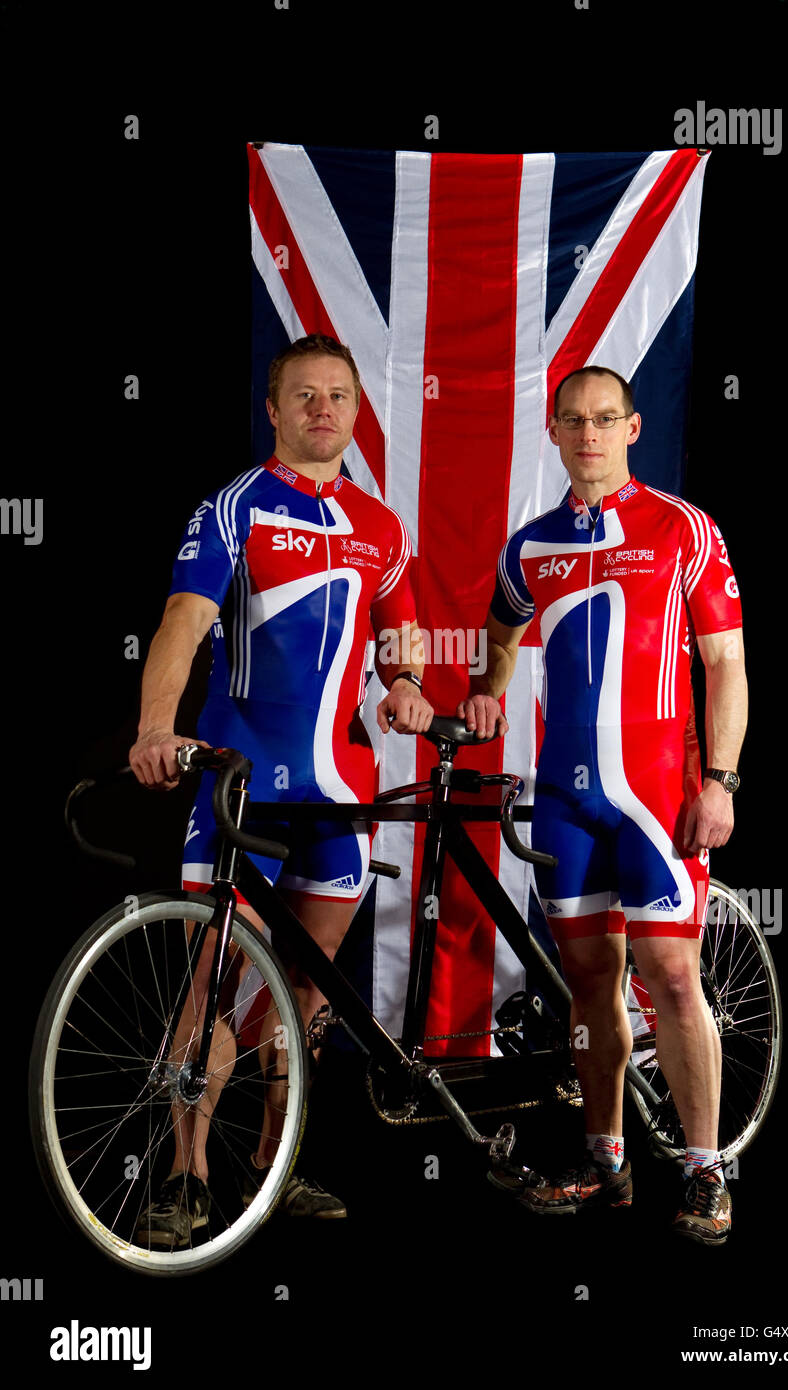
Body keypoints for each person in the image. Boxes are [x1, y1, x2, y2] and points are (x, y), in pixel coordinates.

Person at [129, 333, 433, 1244]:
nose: (323, 409)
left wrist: (410, 687)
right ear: (273, 409)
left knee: (304, 995)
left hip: (340, 795)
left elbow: (399, 641)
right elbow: (182, 624)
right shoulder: (234, 509)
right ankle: (185, 1176)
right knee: (215, 986)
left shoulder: (382, 527)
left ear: (354, 409)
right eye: (304, 395)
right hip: (239, 786)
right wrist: (155, 727)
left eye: (339, 395)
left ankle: (273, 1166)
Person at [459, 365, 746, 1245]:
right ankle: (606, 1159)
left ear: (633, 427)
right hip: (565, 805)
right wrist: (486, 687)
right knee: (588, 985)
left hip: (659, 798)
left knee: (669, 979)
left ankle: (705, 1171)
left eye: (605, 418)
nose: (589, 432)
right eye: (573, 419)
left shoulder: (682, 529)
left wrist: (722, 781)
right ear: (553, 432)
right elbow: (501, 637)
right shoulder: (530, 547)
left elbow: (725, 662)